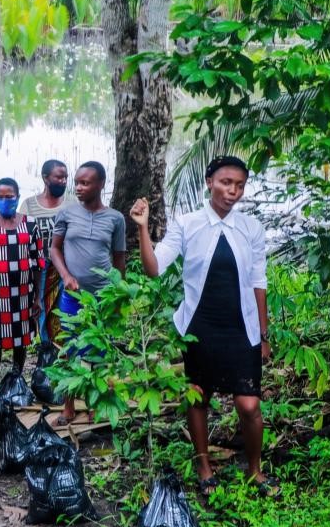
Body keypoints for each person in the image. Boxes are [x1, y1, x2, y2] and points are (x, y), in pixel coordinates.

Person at [131, 156, 277, 496]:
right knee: (198, 398)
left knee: (249, 405)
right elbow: (154, 268)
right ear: (210, 181)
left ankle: (255, 470)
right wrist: (142, 227)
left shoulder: (250, 228)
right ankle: (204, 465)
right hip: (200, 326)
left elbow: (259, 281)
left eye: (240, 185)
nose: (233, 191)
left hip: (241, 328)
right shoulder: (188, 223)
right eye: (226, 182)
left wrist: (264, 335)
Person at [50, 162, 127, 426]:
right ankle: (69, 406)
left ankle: (95, 404)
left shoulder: (115, 219)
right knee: (71, 346)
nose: (79, 188)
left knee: (99, 350)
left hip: (102, 297)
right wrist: (66, 276)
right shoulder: (67, 214)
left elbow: (119, 259)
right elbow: (55, 249)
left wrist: (118, 294)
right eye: (78, 183)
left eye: (86, 183)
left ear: (101, 184)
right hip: (73, 295)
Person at [0, 178, 42, 385]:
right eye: (0, 197)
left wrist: (36, 297)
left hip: (23, 294)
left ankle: (17, 382)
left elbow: (38, 262)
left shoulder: (30, 223)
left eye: (9, 197)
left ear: (17, 197)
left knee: (20, 341)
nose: (5, 201)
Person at [21, 160, 75, 347]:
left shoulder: (71, 204)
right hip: (40, 268)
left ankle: (66, 349)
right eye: (58, 177)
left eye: (66, 177)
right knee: (42, 308)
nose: (63, 181)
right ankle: (46, 348)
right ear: (45, 178)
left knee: (65, 307)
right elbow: (23, 239)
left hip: (65, 266)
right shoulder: (29, 206)